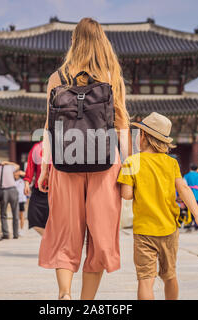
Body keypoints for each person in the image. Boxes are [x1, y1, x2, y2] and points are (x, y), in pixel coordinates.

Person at [37, 18, 131, 300]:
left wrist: (44, 168)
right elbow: (122, 123)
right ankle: (85, 302)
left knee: (65, 231)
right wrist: (131, 167)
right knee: (101, 235)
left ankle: (64, 294)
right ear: (102, 40)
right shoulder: (111, 74)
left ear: (74, 41)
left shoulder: (58, 77)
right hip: (105, 162)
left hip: (66, 160)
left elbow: (48, 126)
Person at [117, 112, 198, 300]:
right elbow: (184, 189)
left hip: (144, 231)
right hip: (169, 228)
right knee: (169, 275)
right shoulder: (172, 163)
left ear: (143, 136)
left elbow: (126, 195)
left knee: (146, 280)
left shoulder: (132, 162)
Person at [24, 141, 49, 236]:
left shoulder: (61, 145)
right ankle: (49, 240)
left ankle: (52, 244)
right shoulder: (37, 147)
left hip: (56, 190)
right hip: (38, 189)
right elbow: (30, 165)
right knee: (33, 218)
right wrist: (27, 182)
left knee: (54, 221)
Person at [0, 160, 20, 240]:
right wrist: (7, 163)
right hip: (13, 190)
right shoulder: (9, 168)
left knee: (3, 214)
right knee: (15, 213)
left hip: (3, 192)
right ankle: (16, 234)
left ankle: (6, 234)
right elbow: (17, 166)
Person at [183, 163, 198, 230]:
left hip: (189, 196)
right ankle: (197, 224)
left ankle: (190, 222)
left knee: (189, 210)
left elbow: (184, 186)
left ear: (190, 168)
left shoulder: (186, 176)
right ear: (197, 169)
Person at [14, 170, 27, 236]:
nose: (15, 175)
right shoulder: (12, 181)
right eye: (14, 174)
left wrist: (21, 172)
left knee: (21, 215)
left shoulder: (22, 181)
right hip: (15, 200)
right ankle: (16, 230)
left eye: (16, 174)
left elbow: (28, 175)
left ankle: (22, 229)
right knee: (16, 216)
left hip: (21, 200)